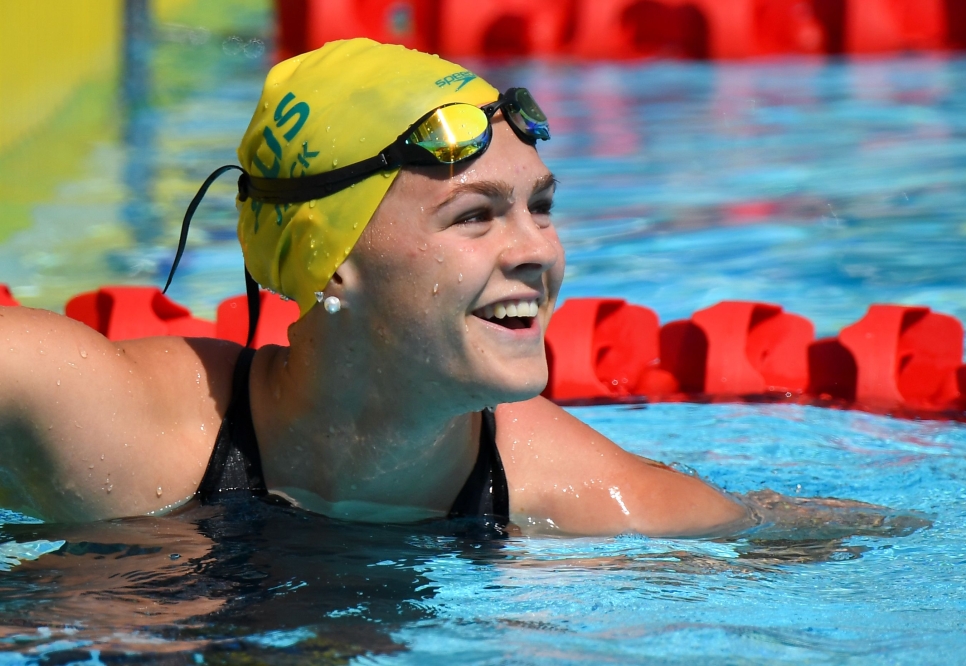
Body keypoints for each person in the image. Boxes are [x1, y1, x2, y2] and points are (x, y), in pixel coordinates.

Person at [0, 39, 750, 535]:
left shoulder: (593, 506)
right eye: (476, 216)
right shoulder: (119, 425)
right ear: (331, 262)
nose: (537, 251)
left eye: (540, 207)